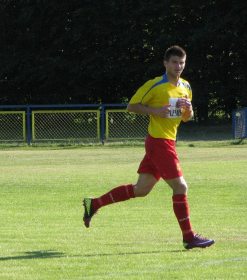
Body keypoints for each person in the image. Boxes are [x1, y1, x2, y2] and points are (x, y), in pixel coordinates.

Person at [82, 46, 215, 250]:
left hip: (167, 142)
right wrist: (156, 111)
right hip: (158, 142)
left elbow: (187, 118)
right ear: (165, 63)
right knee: (180, 187)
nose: (178, 66)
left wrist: (189, 110)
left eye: (181, 63)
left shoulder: (186, 87)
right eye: (174, 62)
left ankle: (94, 204)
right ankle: (189, 238)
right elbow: (131, 106)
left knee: (141, 190)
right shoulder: (156, 85)